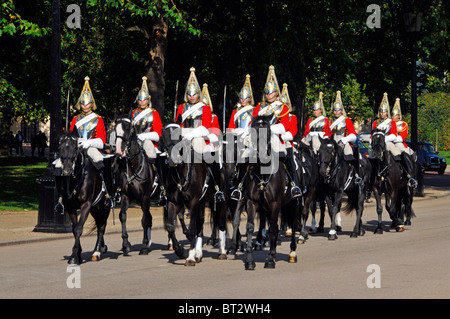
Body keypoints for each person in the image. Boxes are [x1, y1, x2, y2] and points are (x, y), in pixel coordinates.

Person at [56, 76, 113, 209]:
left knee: (101, 162)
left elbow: (101, 140)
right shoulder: (75, 119)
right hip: (76, 146)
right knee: (58, 165)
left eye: (87, 103)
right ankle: (60, 198)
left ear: (92, 104)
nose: (85, 106)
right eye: (82, 103)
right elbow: (70, 135)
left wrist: (89, 142)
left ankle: (108, 195)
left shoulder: (98, 119)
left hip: (91, 146)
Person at [174, 67, 224, 203]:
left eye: (194, 93)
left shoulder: (205, 108)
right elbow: (178, 125)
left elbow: (206, 128)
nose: (191, 96)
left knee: (211, 158)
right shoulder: (181, 108)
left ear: (198, 94)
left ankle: (217, 188)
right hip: (184, 137)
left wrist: (191, 135)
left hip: (199, 138)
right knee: (171, 157)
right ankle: (167, 187)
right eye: (189, 94)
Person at [252, 65, 301, 198]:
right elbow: (252, 122)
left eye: (271, 92)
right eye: (267, 92)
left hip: (275, 137)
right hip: (259, 137)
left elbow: (284, 126)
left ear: (277, 93)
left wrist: (268, 129)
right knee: (244, 155)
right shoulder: (259, 106)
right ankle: (239, 185)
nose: (268, 94)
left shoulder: (282, 107)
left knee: (287, 153)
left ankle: (293, 184)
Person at [126, 76, 167, 205]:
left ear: (148, 100)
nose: (142, 101)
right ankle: (118, 188)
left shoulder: (153, 113)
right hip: (134, 142)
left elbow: (158, 133)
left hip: (148, 141)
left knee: (152, 155)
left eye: (144, 99)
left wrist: (144, 136)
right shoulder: (133, 113)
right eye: (140, 99)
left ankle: (161, 187)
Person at [329, 91, 361, 181]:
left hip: (344, 141)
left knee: (349, 154)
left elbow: (353, 135)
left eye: (338, 110)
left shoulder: (347, 120)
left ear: (341, 110)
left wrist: (345, 139)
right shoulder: (330, 120)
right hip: (333, 142)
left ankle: (356, 175)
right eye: (335, 110)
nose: (336, 112)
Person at [391, 98, 418, 187]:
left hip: (398, 142)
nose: (393, 117)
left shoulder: (403, 124)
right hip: (389, 142)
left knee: (405, 154)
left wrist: (395, 138)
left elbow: (403, 135)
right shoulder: (389, 123)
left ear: (399, 116)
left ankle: (409, 175)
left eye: (394, 115)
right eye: (392, 115)